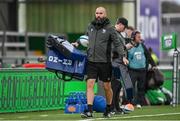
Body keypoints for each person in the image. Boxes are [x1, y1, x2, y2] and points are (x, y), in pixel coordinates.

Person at [73, 7, 125, 118]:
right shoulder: (90, 26)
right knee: (90, 84)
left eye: (100, 13)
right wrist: (77, 42)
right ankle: (89, 111)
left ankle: (108, 108)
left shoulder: (110, 28)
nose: (98, 15)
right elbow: (85, 37)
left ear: (105, 14)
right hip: (91, 61)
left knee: (107, 87)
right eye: (96, 13)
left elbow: (117, 44)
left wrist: (123, 56)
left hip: (105, 62)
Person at [127, 31, 156, 108]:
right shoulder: (129, 46)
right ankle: (130, 103)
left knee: (141, 87)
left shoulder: (142, 46)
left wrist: (153, 64)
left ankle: (140, 103)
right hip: (132, 70)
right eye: (138, 37)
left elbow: (148, 55)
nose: (140, 38)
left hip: (142, 70)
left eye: (140, 37)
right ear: (133, 38)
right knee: (131, 87)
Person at [111, 18, 134, 114]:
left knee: (118, 86)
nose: (124, 30)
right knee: (114, 86)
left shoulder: (119, 34)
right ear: (120, 24)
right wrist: (125, 48)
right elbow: (113, 48)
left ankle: (116, 107)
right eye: (124, 27)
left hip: (119, 63)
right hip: (114, 62)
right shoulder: (112, 32)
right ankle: (112, 107)